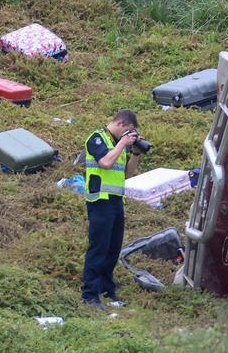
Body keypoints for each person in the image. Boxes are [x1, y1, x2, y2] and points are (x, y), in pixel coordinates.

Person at [81, 109, 142, 309]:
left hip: (116, 201)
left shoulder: (118, 145)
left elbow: (127, 174)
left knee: (113, 248)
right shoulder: (96, 138)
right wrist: (123, 143)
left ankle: (107, 290)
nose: (128, 136)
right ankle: (90, 295)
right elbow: (105, 163)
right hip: (100, 200)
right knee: (99, 247)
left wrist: (135, 153)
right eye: (129, 131)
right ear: (121, 124)